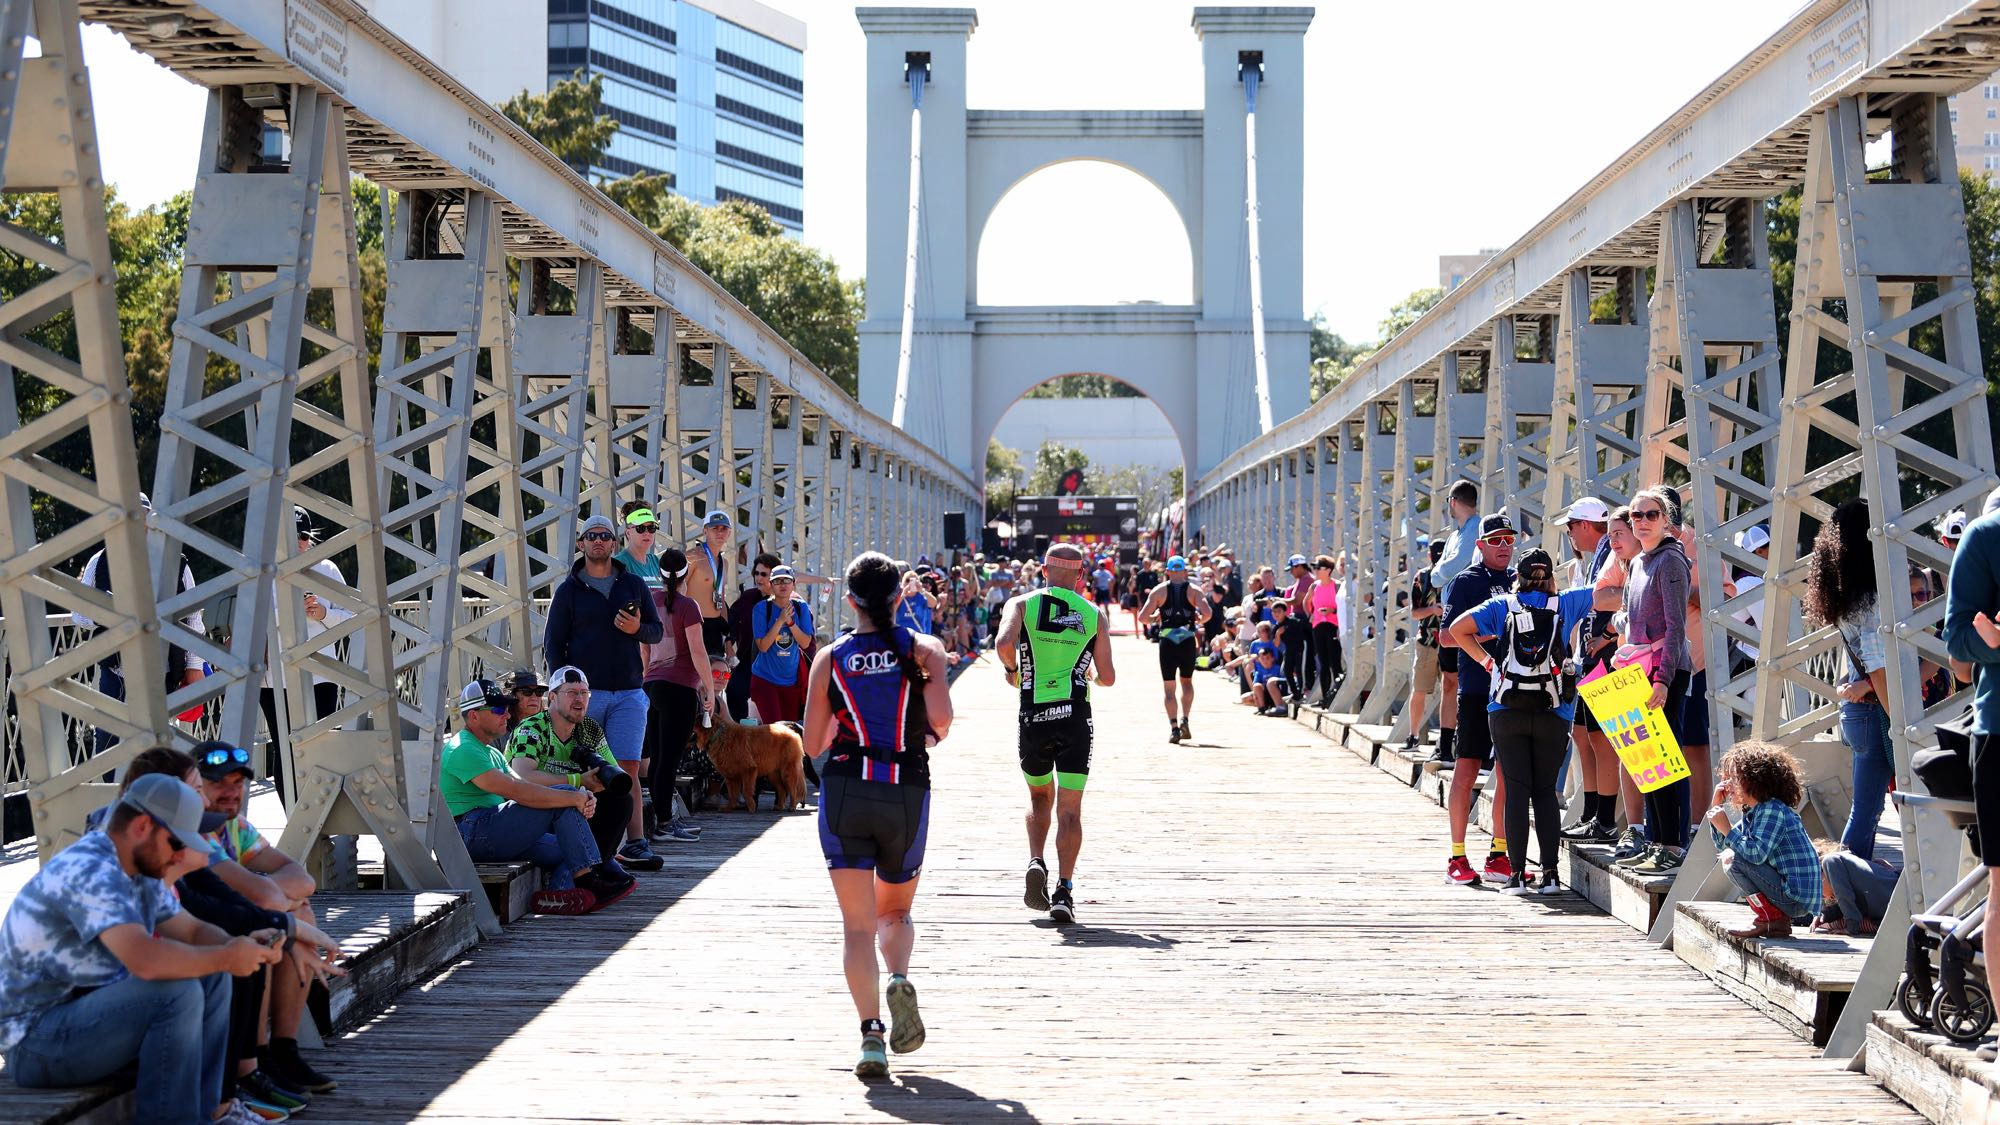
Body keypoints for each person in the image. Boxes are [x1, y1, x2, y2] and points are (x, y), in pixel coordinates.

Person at [0, 772, 284, 1125]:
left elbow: (192, 930)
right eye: (177, 842)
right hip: (36, 1044)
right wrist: (228, 955)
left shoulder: (137, 863)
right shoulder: (91, 869)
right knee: (174, 992)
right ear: (142, 826)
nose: (182, 854)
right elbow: (145, 961)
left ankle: (210, 1112)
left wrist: (238, 945)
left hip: (82, 1023)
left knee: (214, 976)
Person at [97, 748, 344, 1117]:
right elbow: (153, 954)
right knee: (210, 971)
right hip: (58, 1037)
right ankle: (230, 1089)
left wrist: (280, 935)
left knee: (239, 950)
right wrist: (269, 936)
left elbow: (199, 917)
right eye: (199, 787)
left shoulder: (156, 841)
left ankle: (226, 1098)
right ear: (158, 804)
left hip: (112, 1011)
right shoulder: (107, 858)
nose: (207, 798)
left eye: (236, 783)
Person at [800, 552, 955, 1078]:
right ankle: (899, 977)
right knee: (894, 912)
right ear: (899, 597)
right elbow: (942, 724)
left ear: (851, 601)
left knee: (855, 927)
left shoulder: (832, 656)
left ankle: (870, 1037)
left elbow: (813, 742)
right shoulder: (925, 650)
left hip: (845, 790)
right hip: (905, 789)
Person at [190, 741, 337, 1101]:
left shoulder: (235, 827)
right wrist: (268, 896)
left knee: (295, 909)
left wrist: (269, 895)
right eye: (218, 784)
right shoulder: (190, 829)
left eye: (238, 784)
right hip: (191, 932)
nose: (231, 792)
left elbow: (302, 880)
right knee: (273, 922)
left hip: (222, 921)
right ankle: (256, 1057)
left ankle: (282, 1050)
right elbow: (268, 897)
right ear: (193, 788)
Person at [1448, 547, 1595, 894]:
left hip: (1506, 708)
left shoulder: (1503, 606)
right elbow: (1615, 594)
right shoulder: (1567, 602)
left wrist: (1487, 663)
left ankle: (1514, 875)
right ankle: (1551, 876)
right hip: (1553, 709)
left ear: (1519, 577)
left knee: (1515, 791)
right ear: (1551, 579)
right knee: (1544, 792)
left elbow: (1457, 629)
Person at [996, 543, 1117, 925]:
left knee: (1038, 796)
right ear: (1080, 576)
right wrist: (1089, 673)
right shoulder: (1093, 614)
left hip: (1034, 713)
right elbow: (1109, 677)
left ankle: (1036, 860)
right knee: (1070, 807)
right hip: (1075, 717)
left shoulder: (1022, 603)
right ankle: (1064, 889)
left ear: (1044, 570)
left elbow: (1003, 645)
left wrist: (1014, 670)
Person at [439, 678, 630, 915]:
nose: (507, 715)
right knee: (564, 798)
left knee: (572, 845)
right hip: (469, 833)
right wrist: (573, 795)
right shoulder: (463, 748)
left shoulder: (491, 753)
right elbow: (516, 792)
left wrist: (580, 795)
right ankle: (588, 881)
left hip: (492, 830)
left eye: (507, 709)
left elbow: (524, 785)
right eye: (498, 709)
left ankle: (560, 894)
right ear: (474, 716)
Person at [544, 513, 664, 866]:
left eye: (605, 536)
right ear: (581, 544)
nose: (598, 540)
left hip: (628, 690)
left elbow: (656, 632)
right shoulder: (568, 591)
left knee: (627, 767)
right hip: (585, 694)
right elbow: (553, 644)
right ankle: (585, 843)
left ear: (615, 543)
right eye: (591, 535)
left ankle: (636, 842)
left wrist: (637, 629)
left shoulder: (633, 584)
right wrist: (562, 691)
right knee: (582, 767)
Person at [73, 491, 208, 757]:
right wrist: (112, 612)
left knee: (154, 750)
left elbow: (193, 618)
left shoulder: (176, 561)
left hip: (163, 671)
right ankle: (117, 796)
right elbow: (79, 614)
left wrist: (194, 667)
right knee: (108, 750)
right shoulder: (100, 561)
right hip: (117, 671)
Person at [1612, 485, 1696, 874]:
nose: (1641, 522)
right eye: (1636, 516)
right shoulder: (1638, 563)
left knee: (1667, 758)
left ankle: (1673, 846)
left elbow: (1677, 627)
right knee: (1648, 761)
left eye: (1650, 515)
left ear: (1665, 520)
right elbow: (1631, 616)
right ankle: (1656, 840)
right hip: (1638, 670)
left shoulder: (1671, 562)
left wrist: (1663, 680)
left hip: (1665, 672)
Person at [1805, 499, 1893, 861]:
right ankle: (1845, 891)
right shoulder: (1870, 600)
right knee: (1876, 808)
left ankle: (1844, 891)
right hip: (1876, 710)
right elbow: (1878, 665)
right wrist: (1901, 721)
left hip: (1856, 712)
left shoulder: (1845, 597)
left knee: (1867, 807)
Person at [1438, 513, 1517, 887]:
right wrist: (1489, 633)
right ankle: (1457, 855)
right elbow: (1446, 638)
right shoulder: (1465, 582)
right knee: (1466, 770)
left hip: (1514, 688)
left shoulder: (1520, 580)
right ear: (1480, 544)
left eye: (1509, 539)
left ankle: (1499, 854)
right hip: (1476, 688)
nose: (1504, 546)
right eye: (1496, 540)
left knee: (1506, 772)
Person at [507, 665, 644, 878]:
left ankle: (598, 864)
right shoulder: (531, 728)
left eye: (584, 693)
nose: (579, 699)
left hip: (571, 810)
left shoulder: (589, 728)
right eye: (571, 693)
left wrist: (595, 789)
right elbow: (522, 776)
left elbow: (615, 774)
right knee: (570, 796)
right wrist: (578, 780)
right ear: (552, 697)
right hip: (532, 811)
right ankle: (580, 875)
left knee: (620, 799)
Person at [1545, 498, 1616, 840]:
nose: (1570, 534)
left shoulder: (1609, 552)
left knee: (1601, 741)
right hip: (1589, 662)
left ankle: (1604, 818)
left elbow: (1624, 596)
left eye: (1571, 527)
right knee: (1584, 737)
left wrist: (1605, 634)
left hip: (1605, 661)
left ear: (1585, 525)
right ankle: (1591, 812)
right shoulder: (1594, 558)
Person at [1702, 741, 1818, 939]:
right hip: (1787, 893)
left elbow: (1755, 855)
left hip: (1796, 899)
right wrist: (1716, 808)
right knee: (1730, 856)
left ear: (1754, 779)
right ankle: (1774, 921)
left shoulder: (1772, 810)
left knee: (1735, 860)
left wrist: (1728, 829)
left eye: (1735, 779)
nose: (1727, 785)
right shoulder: (1755, 811)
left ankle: (1770, 921)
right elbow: (1723, 844)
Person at [642, 547, 714, 849]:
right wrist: (709, 689)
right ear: (687, 574)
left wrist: (646, 677)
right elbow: (698, 651)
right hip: (680, 688)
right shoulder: (689, 606)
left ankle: (664, 820)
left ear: (659, 574)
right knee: (670, 761)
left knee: (658, 757)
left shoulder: (651, 602)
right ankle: (664, 824)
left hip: (652, 686)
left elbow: (644, 649)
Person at [1427, 481, 1483, 772]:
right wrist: (1442, 570)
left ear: (1452, 501)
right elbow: (1446, 567)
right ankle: (1446, 745)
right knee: (1449, 680)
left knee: (1465, 681)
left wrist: (1438, 572)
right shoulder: (1454, 535)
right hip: (1450, 615)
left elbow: (1451, 567)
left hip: (1466, 616)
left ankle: (1466, 744)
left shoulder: (1476, 528)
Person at [1139, 554, 1210, 743]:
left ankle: (1174, 728)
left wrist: (1155, 617)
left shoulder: (1159, 591)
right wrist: (1198, 619)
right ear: (1185, 571)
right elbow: (1208, 614)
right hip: (1187, 639)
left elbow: (1142, 617)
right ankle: (1185, 718)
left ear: (1168, 571)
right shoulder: (1194, 590)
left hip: (1167, 642)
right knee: (1187, 682)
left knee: (1169, 688)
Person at [751, 565, 817, 725]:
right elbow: (763, 646)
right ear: (771, 585)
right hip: (765, 678)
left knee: (789, 733)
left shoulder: (801, 608)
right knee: (775, 731)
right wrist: (780, 621)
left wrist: (791, 622)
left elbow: (805, 642)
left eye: (787, 581)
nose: (782, 585)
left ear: (793, 584)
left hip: (791, 681)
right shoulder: (762, 608)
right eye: (777, 581)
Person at [1405, 539, 1449, 751]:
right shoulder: (1422, 578)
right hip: (1428, 642)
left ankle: (1447, 740)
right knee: (1420, 689)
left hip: (1451, 641)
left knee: (1451, 690)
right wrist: (1433, 610)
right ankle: (1413, 735)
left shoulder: (1456, 575)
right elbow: (1414, 612)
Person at [728, 553, 781, 721]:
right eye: (756, 573)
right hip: (746, 663)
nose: (759, 578)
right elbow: (730, 622)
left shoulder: (785, 601)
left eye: (764, 574)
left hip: (774, 664)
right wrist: (729, 646)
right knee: (734, 691)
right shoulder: (748, 597)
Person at [686, 510, 736, 660]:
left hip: (715, 628)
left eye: (724, 529)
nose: (720, 533)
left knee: (713, 680)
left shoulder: (724, 563)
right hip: (693, 624)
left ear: (729, 533)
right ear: (705, 531)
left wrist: (728, 642)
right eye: (715, 528)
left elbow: (721, 600)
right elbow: (676, 592)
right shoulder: (692, 557)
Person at [1220, 622, 1290, 715]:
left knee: (1270, 683)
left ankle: (1278, 706)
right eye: (1260, 631)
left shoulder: (1274, 645)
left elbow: (1277, 658)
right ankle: (1261, 707)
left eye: (1266, 630)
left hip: (1273, 678)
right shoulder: (1255, 644)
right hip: (1259, 671)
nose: (1263, 633)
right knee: (1251, 688)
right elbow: (1249, 657)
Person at [1305, 554, 1344, 707]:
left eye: (1317, 567)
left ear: (1328, 570)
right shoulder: (1314, 586)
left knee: (1335, 663)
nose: (1314, 570)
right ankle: (1325, 698)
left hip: (1333, 626)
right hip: (1318, 627)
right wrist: (1311, 615)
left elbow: (1343, 606)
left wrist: (1332, 611)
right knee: (1323, 663)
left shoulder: (1337, 585)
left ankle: (1337, 697)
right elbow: (1306, 601)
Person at [1271, 600, 1312, 717]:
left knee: (1300, 670)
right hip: (1289, 650)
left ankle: (1303, 690)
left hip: (1300, 648)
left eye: (1279, 611)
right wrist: (1278, 634)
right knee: (1287, 671)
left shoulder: (1293, 622)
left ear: (1285, 612)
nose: (1276, 614)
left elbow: (1304, 630)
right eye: (1274, 612)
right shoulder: (1276, 627)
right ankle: (1296, 693)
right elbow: (1276, 644)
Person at [614, 502, 665, 593]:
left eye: (651, 527)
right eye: (640, 528)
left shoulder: (655, 561)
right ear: (628, 533)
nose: (647, 533)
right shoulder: (619, 564)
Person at [894, 569, 936, 637]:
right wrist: (903, 594)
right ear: (902, 583)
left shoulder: (922, 597)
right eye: (907, 580)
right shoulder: (898, 596)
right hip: (901, 634)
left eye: (913, 580)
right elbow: (892, 610)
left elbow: (933, 604)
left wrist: (922, 590)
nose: (910, 583)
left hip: (918, 635)